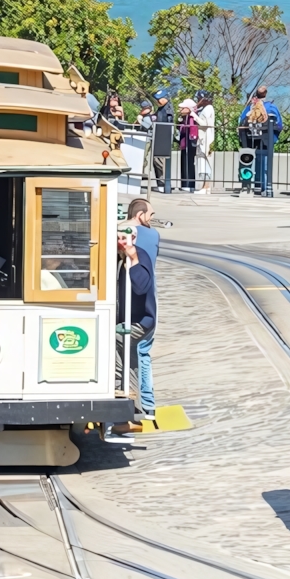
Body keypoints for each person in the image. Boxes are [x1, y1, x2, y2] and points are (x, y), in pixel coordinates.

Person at [115, 228, 156, 433]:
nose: (121, 242)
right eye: (117, 238)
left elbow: (141, 287)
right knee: (129, 359)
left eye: (125, 238)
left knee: (114, 342)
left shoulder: (140, 256)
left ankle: (122, 404)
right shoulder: (115, 257)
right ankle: (135, 407)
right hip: (124, 319)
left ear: (134, 238)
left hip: (140, 321)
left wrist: (133, 260)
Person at [125, 198, 159, 421]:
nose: (152, 220)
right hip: (148, 307)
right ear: (140, 216)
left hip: (131, 310)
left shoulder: (119, 231)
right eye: (151, 216)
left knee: (130, 350)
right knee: (143, 352)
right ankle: (148, 403)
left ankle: (133, 399)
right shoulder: (151, 235)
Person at [150, 92, 173, 193]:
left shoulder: (168, 109)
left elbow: (169, 123)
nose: (158, 101)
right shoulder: (160, 108)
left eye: (159, 99)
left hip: (163, 136)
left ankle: (163, 183)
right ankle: (160, 183)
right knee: (156, 161)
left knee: (160, 161)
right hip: (158, 135)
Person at [176, 98, 199, 193]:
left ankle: (190, 184)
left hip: (190, 143)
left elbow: (192, 130)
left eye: (183, 108)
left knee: (189, 163)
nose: (180, 110)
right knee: (184, 163)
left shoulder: (192, 118)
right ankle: (184, 183)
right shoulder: (184, 118)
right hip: (184, 143)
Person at [194, 93, 215, 193]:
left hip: (207, 138)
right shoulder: (205, 109)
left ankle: (206, 187)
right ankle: (205, 186)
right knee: (203, 163)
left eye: (199, 98)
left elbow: (204, 124)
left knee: (206, 162)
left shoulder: (208, 108)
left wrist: (194, 115)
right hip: (203, 137)